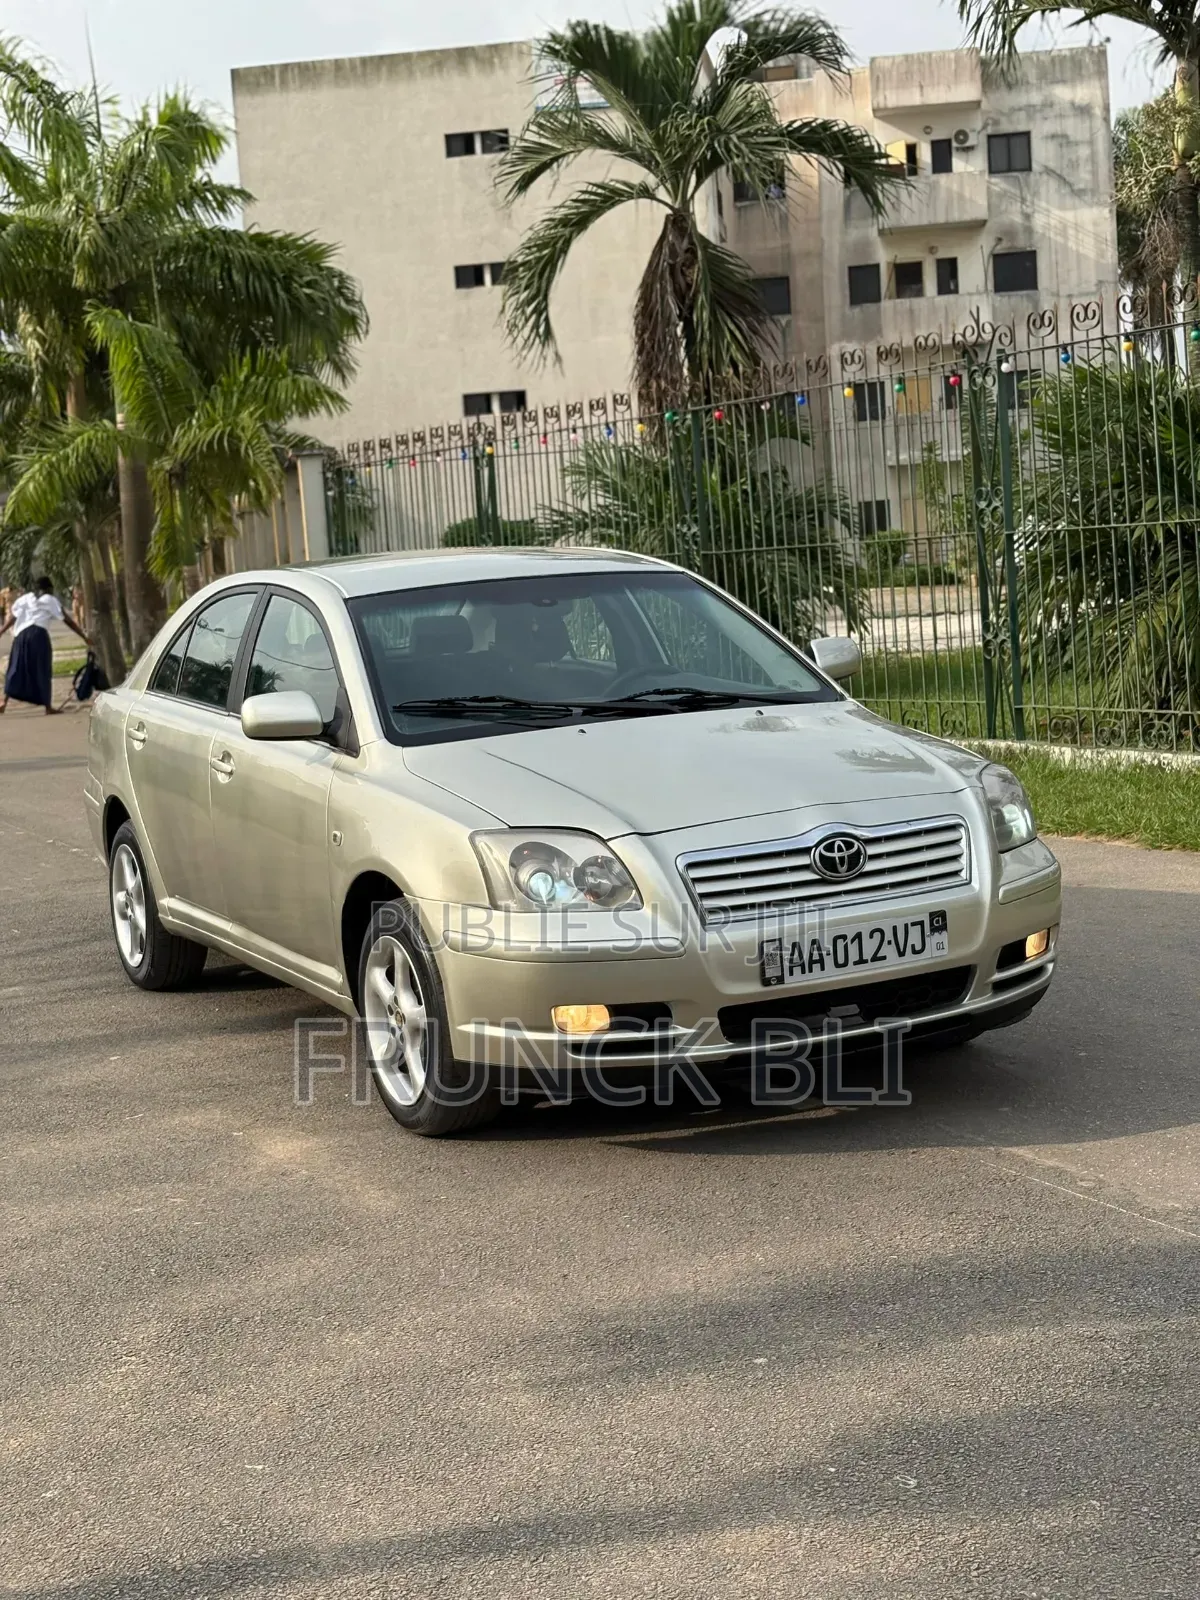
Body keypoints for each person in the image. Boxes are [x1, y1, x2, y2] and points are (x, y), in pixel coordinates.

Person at [0, 576, 92, 715]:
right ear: (49, 589)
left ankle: (3, 702)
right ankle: (47, 707)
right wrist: (84, 637)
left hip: (21, 636)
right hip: (38, 635)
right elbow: (68, 621)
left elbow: (14, 617)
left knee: (15, 667)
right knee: (42, 669)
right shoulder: (50, 600)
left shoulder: (26, 598)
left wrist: (1, 631)